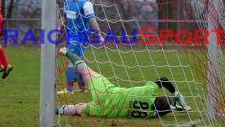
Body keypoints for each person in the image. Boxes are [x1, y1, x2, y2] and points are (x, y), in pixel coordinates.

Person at [56, 47, 190, 118]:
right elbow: (163, 109)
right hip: (107, 111)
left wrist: (176, 93)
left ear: (158, 97)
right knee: (78, 109)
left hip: (107, 92)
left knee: (86, 72)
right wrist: (176, 108)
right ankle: (55, 110)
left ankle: (67, 52)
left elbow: (163, 79)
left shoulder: (148, 92)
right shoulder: (151, 114)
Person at [62, 0, 102, 94]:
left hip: (80, 36)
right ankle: (82, 87)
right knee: (78, 60)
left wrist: (99, 35)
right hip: (71, 34)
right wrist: (57, 29)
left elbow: (92, 20)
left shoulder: (86, 3)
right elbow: (64, 18)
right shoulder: (68, 1)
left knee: (69, 60)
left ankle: (69, 89)